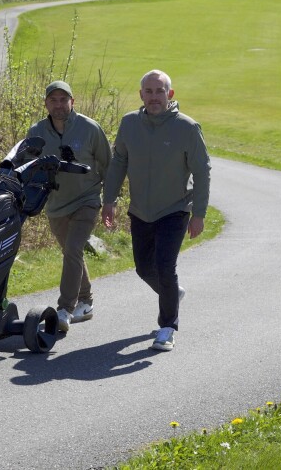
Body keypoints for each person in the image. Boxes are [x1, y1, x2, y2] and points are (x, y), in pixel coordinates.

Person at [102, 70, 211, 351]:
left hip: (174, 209)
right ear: (141, 95)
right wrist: (109, 200)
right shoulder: (129, 124)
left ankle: (167, 328)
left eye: (159, 91)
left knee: (165, 266)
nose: (153, 97)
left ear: (170, 95)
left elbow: (202, 171)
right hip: (140, 210)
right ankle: (172, 293)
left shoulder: (187, 128)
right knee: (143, 268)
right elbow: (118, 163)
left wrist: (198, 213)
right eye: (148, 92)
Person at [27, 80, 111, 332]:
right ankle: (86, 302)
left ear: (72, 102)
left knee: (74, 248)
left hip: (87, 199)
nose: (59, 104)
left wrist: (110, 201)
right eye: (53, 100)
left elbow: (108, 164)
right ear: (46, 104)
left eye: (64, 99)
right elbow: (29, 167)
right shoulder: (36, 132)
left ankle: (65, 308)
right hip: (55, 205)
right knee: (71, 253)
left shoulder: (90, 128)